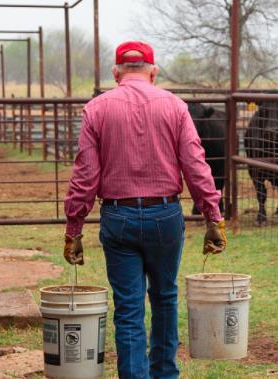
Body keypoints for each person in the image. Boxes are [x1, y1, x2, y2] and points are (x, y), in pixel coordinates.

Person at [62, 40, 227, 379]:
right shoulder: (175, 107)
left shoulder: (97, 109)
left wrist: (73, 228)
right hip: (164, 216)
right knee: (165, 297)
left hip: (118, 216)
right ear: (153, 71)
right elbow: (196, 166)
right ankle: (165, 373)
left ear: (115, 72)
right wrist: (213, 216)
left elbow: (85, 175)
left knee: (128, 307)